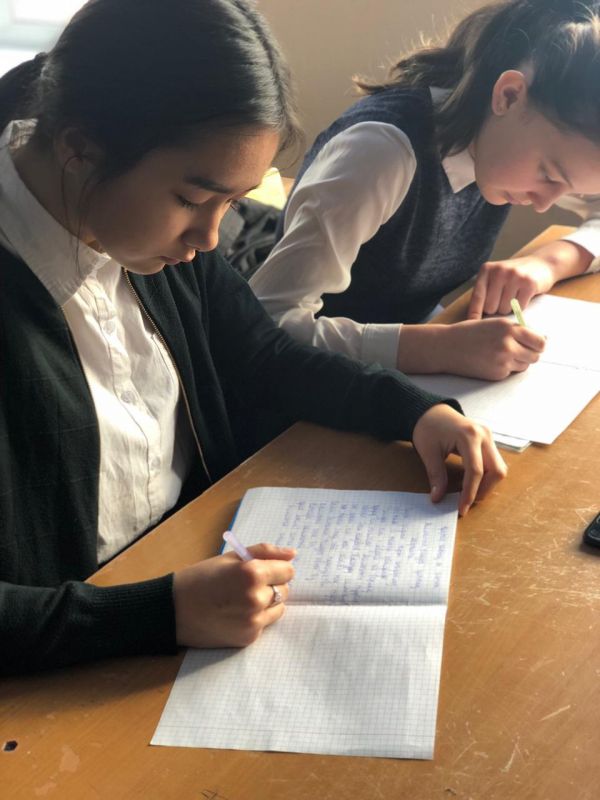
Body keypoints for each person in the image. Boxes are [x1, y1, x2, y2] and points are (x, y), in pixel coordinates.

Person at [0, 0, 506, 676]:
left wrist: (412, 409)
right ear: (80, 147)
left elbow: (264, 357)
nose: (211, 238)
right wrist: (155, 614)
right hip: (62, 667)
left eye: (232, 204)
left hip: (189, 568)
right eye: (191, 199)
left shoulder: (150, 244)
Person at [250, 0, 600, 381]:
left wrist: (548, 263)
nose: (545, 203)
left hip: (406, 365)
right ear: (509, 96)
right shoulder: (380, 156)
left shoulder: (503, 147)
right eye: (548, 173)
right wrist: (438, 348)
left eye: (571, 189)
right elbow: (266, 322)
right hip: (316, 384)